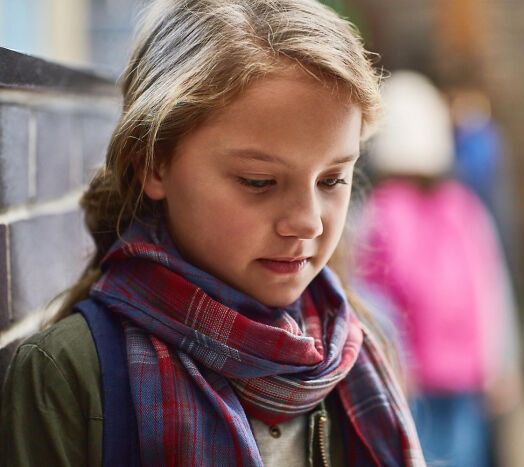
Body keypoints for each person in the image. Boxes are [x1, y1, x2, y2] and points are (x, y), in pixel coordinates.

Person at [0, 1, 425, 466]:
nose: (309, 221)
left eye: (331, 180)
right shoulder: (69, 375)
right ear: (154, 163)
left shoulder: (361, 347)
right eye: (258, 182)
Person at [354, 71, 520, 467]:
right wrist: (502, 362)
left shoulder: (379, 210)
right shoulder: (462, 205)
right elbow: (492, 287)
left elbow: (370, 294)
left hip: (412, 376)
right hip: (466, 373)